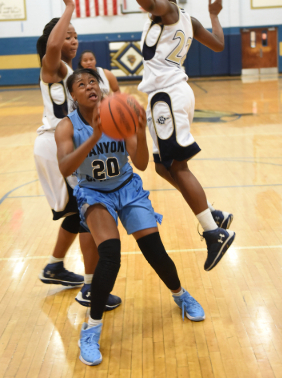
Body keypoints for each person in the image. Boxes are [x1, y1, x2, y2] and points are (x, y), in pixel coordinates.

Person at [55, 67, 206, 366]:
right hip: (95, 194)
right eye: (81, 84)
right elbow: (65, 167)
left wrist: (138, 129)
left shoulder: (118, 113)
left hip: (127, 188)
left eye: (93, 82)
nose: (89, 87)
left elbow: (141, 164)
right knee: (110, 255)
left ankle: (181, 295)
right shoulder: (66, 126)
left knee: (155, 252)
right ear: (72, 94)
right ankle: (91, 328)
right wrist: (95, 136)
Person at [100, 0, 235, 271]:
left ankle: (214, 233)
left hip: (168, 97)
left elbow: (151, 3)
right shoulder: (190, 20)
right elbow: (218, 44)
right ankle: (211, 213)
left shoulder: (168, 8)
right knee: (162, 167)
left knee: (178, 166)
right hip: (168, 96)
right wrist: (214, 14)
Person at [34, 0, 121, 310]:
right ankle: (89, 287)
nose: (71, 40)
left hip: (61, 144)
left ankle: (55, 265)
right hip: (54, 146)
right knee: (86, 211)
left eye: (74, 35)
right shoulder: (52, 66)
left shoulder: (71, 72)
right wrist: (68, 6)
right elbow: (53, 46)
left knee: (75, 211)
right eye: (66, 35)